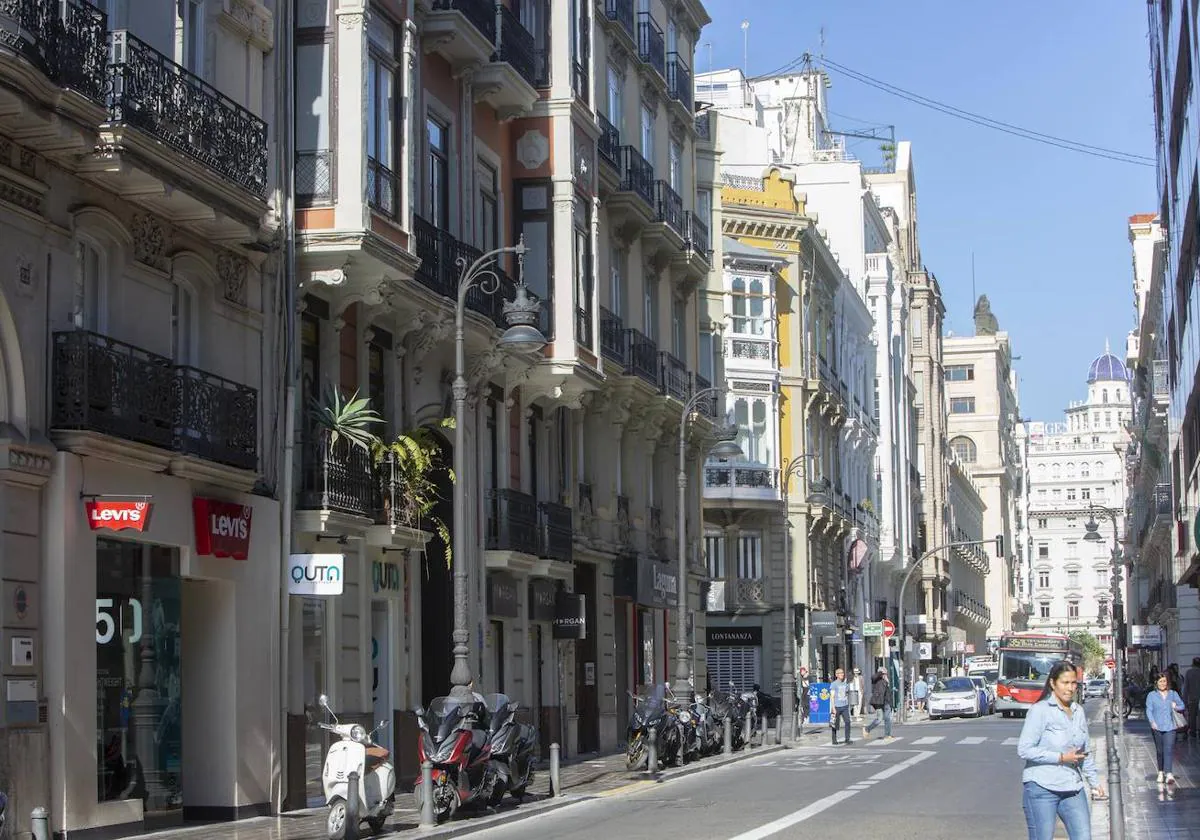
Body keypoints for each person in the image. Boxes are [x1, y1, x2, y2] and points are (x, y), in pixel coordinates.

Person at [1017, 661, 1104, 840]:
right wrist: (1060, 757)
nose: (1070, 688)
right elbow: (1024, 750)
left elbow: (1084, 751)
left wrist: (1094, 783)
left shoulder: (1078, 711)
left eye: (1073, 683)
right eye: (1065, 683)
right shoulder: (1040, 710)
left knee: (1083, 836)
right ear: (1053, 683)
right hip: (1041, 787)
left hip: (1072, 786)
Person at [1146, 672, 1186, 786]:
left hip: (1170, 727)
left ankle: (1169, 774)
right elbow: (1149, 710)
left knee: (1168, 750)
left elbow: (1182, 705)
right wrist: (1152, 722)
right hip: (1157, 727)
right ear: (1156, 683)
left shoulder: (1173, 694)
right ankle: (1161, 772)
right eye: (1160, 682)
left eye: (1164, 681)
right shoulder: (1151, 695)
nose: (1163, 684)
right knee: (1160, 751)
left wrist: (1176, 706)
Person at [865, 667, 894, 741]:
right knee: (879, 719)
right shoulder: (876, 680)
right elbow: (873, 677)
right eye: (884, 673)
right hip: (878, 702)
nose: (885, 675)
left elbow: (888, 693)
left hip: (886, 702)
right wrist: (881, 672)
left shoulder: (886, 681)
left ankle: (887, 735)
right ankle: (867, 729)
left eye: (886, 673)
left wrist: (891, 703)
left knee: (888, 718)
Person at [830, 667, 852, 745]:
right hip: (836, 706)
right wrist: (833, 708)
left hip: (845, 706)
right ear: (836, 675)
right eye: (840, 673)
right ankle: (834, 739)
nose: (842, 674)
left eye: (842, 673)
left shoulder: (846, 683)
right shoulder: (834, 684)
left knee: (848, 722)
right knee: (835, 723)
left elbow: (847, 693)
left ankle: (847, 738)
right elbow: (832, 696)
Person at [1184, 657, 1200, 739]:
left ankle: (1193, 732)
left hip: (1192, 698)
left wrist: (1184, 700)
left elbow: (1186, 687)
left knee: (1192, 716)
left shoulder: (1189, 672)